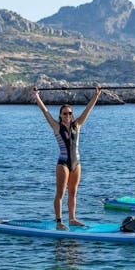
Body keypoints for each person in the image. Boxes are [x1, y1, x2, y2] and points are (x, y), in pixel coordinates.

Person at [33, 86, 102, 230]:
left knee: (73, 192)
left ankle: (72, 219)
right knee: (60, 193)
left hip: (76, 163)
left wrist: (96, 95)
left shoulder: (77, 125)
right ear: (60, 115)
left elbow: (87, 110)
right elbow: (45, 111)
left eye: (70, 113)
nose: (68, 116)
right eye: (65, 113)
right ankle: (59, 221)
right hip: (63, 163)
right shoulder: (56, 126)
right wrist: (37, 96)